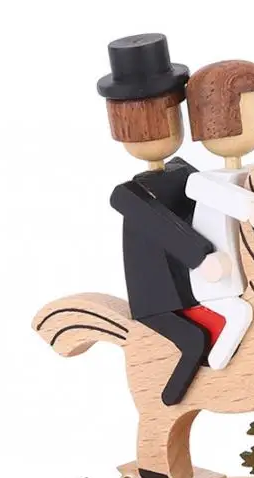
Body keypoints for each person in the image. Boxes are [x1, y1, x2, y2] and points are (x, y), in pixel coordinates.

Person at [98, 33, 227, 419]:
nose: (164, 131)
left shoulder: (184, 172)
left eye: (170, 117)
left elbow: (209, 202)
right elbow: (167, 229)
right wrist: (201, 257)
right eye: (152, 123)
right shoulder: (129, 194)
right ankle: (170, 399)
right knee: (195, 339)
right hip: (158, 300)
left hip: (198, 288)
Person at [184, 61, 254, 369]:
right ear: (222, 118)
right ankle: (215, 367)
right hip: (216, 278)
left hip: (250, 273)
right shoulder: (203, 180)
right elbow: (229, 199)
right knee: (241, 314)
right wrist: (253, 208)